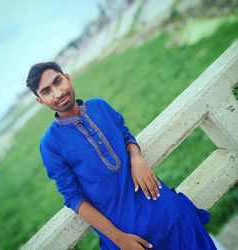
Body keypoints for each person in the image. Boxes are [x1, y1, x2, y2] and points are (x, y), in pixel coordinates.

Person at [26, 62, 217, 250]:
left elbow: (124, 133)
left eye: (58, 81)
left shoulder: (99, 106)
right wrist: (120, 239)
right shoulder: (50, 144)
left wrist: (135, 156)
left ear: (67, 77)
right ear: (40, 100)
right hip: (129, 237)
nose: (58, 93)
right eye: (46, 91)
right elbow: (73, 197)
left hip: (170, 215)